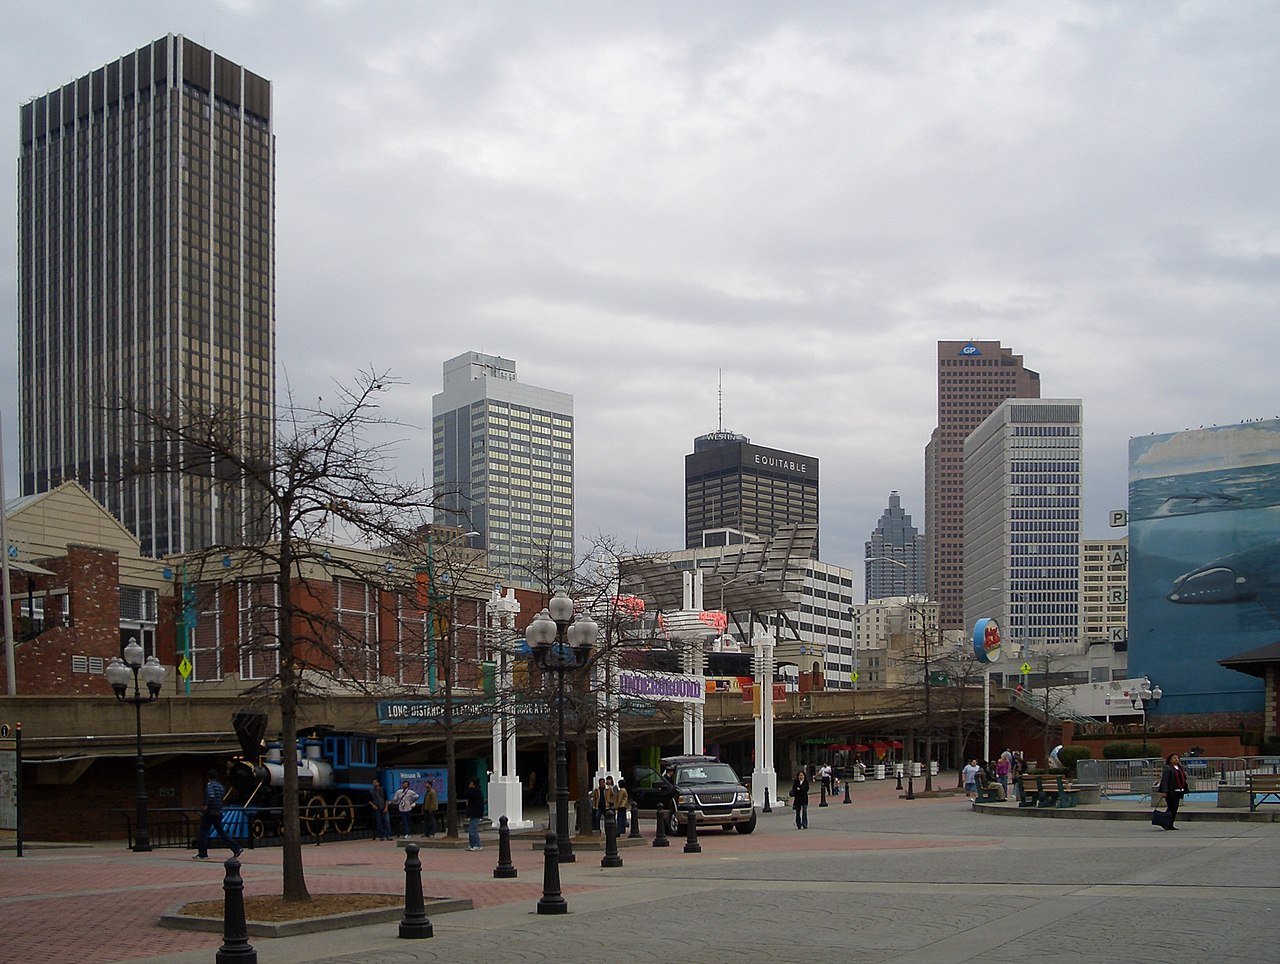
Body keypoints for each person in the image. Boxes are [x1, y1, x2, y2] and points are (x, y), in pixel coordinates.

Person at [195, 768, 242, 860]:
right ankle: (236, 848)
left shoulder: (210, 785)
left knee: (203, 832)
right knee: (221, 831)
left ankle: (202, 854)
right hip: (219, 811)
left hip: (210, 811)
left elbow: (210, 796)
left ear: (208, 777)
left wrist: (205, 805)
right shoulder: (220, 786)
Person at [1156, 752, 1189, 830]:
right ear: (1170, 760)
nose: (1176, 759)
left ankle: (1170, 823)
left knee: (1175, 808)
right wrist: (1164, 791)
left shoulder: (1180, 768)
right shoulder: (1167, 768)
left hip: (1179, 790)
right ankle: (1166, 823)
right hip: (1170, 791)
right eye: (1174, 758)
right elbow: (1165, 780)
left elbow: (1184, 778)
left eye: (1177, 758)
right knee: (1171, 807)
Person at [464, 777, 486, 851]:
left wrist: (468, 788)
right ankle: (472, 844)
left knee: (472, 830)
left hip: (475, 813)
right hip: (473, 813)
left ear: (473, 784)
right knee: (472, 830)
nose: (469, 784)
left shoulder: (476, 792)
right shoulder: (475, 791)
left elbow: (466, 794)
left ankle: (477, 845)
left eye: (471, 783)